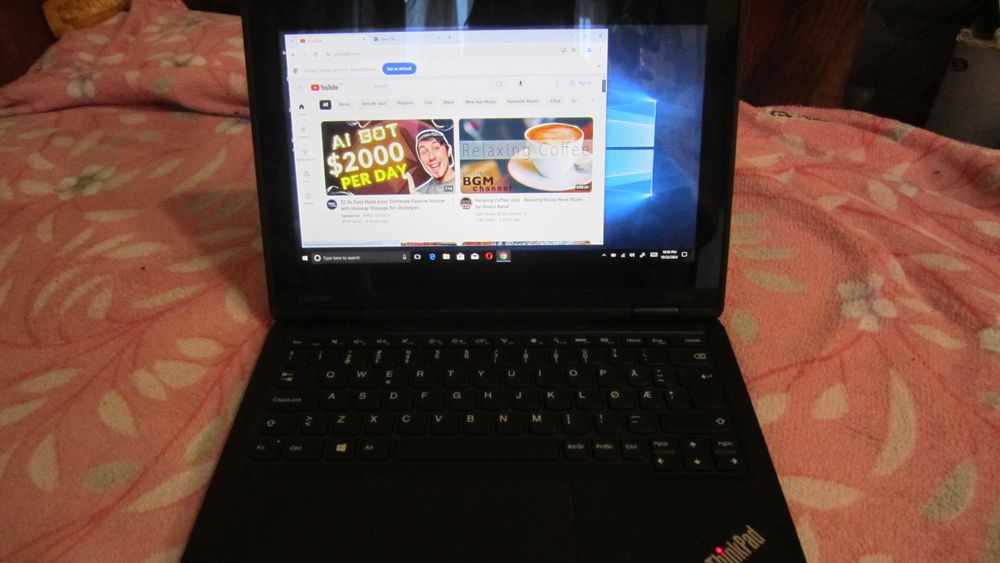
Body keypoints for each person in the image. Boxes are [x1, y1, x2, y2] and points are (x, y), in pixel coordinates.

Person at [404, 129, 456, 194]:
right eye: (424, 152)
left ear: (448, 150)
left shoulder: (465, 182)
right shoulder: (420, 194)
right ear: (420, 159)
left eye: (436, 148)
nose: (431, 157)